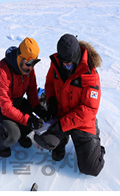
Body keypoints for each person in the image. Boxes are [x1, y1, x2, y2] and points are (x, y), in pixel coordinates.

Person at [34, 34, 106, 176]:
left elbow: (88, 110)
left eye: (70, 63)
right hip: (61, 115)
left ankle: (96, 146)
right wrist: (52, 100)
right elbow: (49, 84)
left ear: (77, 57)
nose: (66, 66)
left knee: (91, 168)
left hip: (82, 122)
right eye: (64, 63)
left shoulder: (90, 74)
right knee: (43, 141)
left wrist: (61, 126)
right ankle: (62, 141)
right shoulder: (56, 64)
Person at [0, 37, 47, 158]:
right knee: (12, 135)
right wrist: (27, 120)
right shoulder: (2, 70)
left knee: (35, 118)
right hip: (0, 108)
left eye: (34, 63)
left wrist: (37, 108)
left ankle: (22, 134)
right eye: (28, 64)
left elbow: (32, 91)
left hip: (18, 103)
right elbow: (6, 107)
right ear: (20, 58)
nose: (30, 68)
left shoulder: (28, 68)